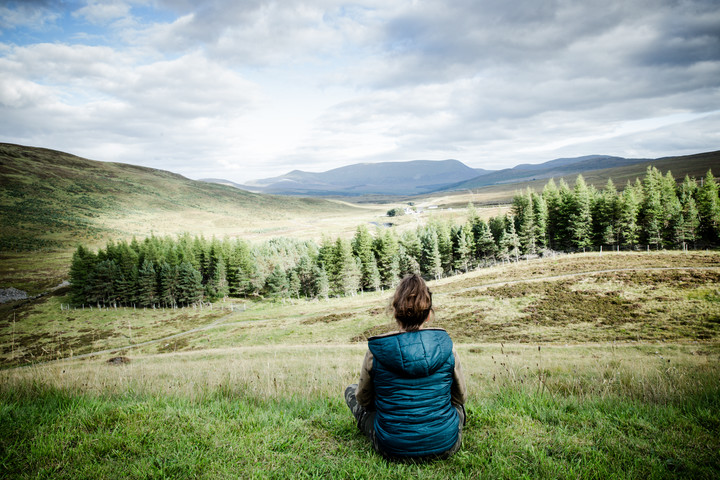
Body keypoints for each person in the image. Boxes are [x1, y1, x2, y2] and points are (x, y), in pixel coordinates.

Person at [344, 274, 467, 461]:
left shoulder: (376, 352)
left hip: (391, 448)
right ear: (428, 314)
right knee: (459, 409)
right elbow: (459, 398)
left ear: (395, 311)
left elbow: (365, 401)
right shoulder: (448, 348)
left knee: (351, 391)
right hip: (446, 445)